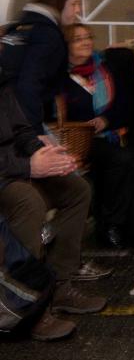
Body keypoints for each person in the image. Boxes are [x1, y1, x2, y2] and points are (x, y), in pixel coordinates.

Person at [0, 68, 106, 341]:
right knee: (28, 201)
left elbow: (21, 129)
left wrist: (42, 152)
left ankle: (58, 286)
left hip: (14, 167)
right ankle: (29, 307)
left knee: (77, 189)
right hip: (7, 174)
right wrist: (28, 167)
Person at [60, 23, 134, 249]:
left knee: (133, 160)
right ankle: (111, 225)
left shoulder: (105, 69)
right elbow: (62, 116)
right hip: (77, 140)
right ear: (67, 45)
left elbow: (123, 105)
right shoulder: (62, 78)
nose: (86, 42)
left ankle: (132, 229)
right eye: (78, 39)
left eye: (88, 37)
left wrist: (106, 119)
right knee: (121, 160)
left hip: (109, 133)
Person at [0, 0, 83, 136]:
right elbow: (28, 86)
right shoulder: (47, 35)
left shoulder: (20, 27)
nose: (78, 10)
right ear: (58, 3)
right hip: (18, 123)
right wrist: (34, 136)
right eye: (74, 4)